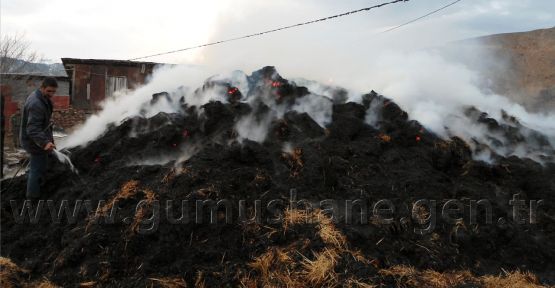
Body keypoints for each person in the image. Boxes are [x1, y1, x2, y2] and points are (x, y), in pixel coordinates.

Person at [20, 77, 57, 199]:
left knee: (40, 163)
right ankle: (32, 197)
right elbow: (32, 129)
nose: (51, 94)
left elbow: (41, 121)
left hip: (39, 137)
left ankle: (35, 180)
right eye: (49, 91)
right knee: (37, 167)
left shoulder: (42, 98)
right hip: (33, 140)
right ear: (42, 88)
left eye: (53, 92)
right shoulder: (36, 103)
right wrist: (45, 142)